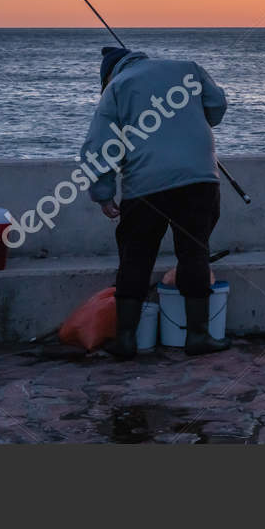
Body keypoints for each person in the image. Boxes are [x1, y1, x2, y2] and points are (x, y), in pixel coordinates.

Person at [82, 45, 229, 359]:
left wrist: (103, 193)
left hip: (145, 186)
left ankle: (125, 340)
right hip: (199, 178)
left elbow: (99, 146)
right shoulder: (188, 67)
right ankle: (199, 336)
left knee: (135, 257)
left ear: (108, 75)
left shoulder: (116, 88)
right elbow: (216, 108)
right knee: (194, 251)